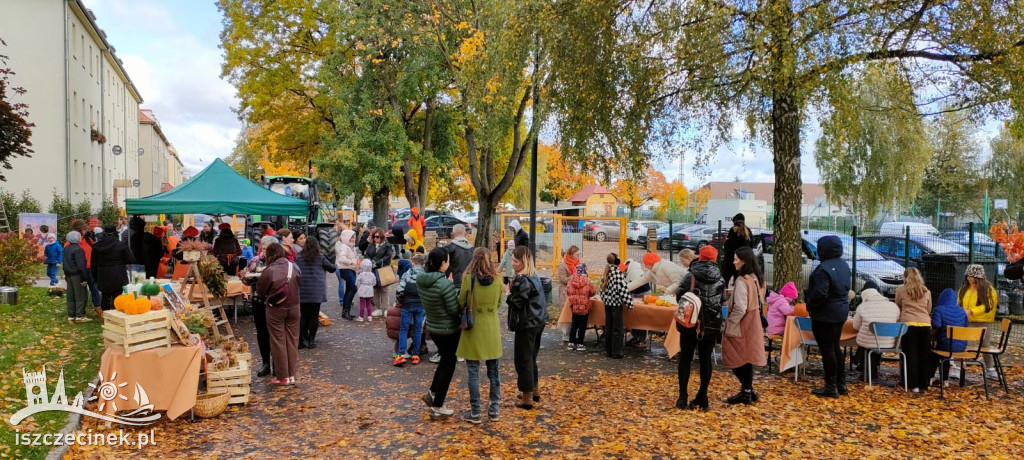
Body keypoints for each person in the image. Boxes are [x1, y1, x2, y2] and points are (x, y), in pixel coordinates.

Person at [456, 248, 504, 424]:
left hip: (473, 327)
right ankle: (494, 409)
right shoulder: (497, 278)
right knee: (494, 372)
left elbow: (461, 301)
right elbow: (499, 302)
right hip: (491, 327)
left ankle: (476, 411)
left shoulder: (469, 278)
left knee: (473, 372)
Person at [675, 245, 725, 411]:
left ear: (700, 257)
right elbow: (721, 300)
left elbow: (680, 297)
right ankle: (702, 396)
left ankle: (682, 396)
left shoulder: (690, 276)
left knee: (685, 358)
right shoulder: (721, 278)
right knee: (705, 359)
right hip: (711, 324)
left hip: (691, 322)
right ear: (715, 259)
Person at [804, 235, 852, 398]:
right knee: (835, 347)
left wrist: (810, 304)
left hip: (825, 314)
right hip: (841, 311)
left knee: (827, 349)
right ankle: (841, 383)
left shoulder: (823, 268)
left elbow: (820, 293)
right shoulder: (844, 265)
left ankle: (831, 386)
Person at [418, 248, 462, 419]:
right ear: (443, 263)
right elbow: (454, 310)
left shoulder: (422, 281)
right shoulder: (444, 285)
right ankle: (438, 406)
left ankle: (433, 393)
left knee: (445, 361)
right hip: (447, 329)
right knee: (448, 365)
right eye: (448, 260)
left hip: (433, 326)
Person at [722, 246, 767, 405]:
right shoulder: (756, 278)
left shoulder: (742, 281)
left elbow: (741, 306)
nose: (734, 262)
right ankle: (748, 390)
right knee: (747, 356)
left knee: (734, 355)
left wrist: (731, 322)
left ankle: (746, 390)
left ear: (744, 261)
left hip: (742, 322)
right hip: (753, 321)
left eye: (736, 259)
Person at [506, 246, 548, 408]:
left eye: (516, 261)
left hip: (527, 323)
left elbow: (516, 302)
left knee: (523, 359)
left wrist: (508, 293)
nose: (513, 263)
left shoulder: (522, 280)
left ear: (523, 262)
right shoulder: (534, 276)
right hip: (538, 321)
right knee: (531, 357)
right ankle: (533, 390)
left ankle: (527, 396)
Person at [255, 243, 302, 384]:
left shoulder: (269, 270)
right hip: (294, 306)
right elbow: (299, 282)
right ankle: (292, 375)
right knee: (292, 340)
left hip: (276, 309)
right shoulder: (293, 266)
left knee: (278, 341)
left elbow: (261, 291)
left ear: (269, 255)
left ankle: (283, 377)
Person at [242, 235, 279, 377]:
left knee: (275, 334)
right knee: (262, 333)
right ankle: (265, 363)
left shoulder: (278, 262)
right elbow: (244, 278)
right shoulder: (255, 261)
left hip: (274, 303)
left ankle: (277, 363)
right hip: (258, 301)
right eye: (262, 249)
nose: (264, 252)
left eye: (267, 249)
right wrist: (248, 277)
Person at [851, 280, 900, 382]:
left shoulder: (862, 307)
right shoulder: (893, 306)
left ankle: (862, 364)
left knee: (870, 341)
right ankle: (866, 367)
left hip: (870, 341)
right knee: (874, 341)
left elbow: (855, 327)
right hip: (890, 342)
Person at [895, 268, 933, 393]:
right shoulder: (926, 291)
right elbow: (928, 308)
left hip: (908, 324)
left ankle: (911, 383)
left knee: (910, 355)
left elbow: (898, 306)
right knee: (924, 354)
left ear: (905, 277)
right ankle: (924, 383)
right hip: (924, 324)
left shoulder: (901, 290)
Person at [958, 264, 999, 380]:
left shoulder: (988, 289)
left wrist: (971, 311)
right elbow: (959, 302)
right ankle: (957, 366)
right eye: (968, 276)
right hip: (967, 321)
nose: (969, 278)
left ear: (978, 277)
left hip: (982, 322)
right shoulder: (964, 288)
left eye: (971, 276)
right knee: (963, 344)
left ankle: (990, 369)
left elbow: (989, 305)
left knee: (985, 346)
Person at [296, 236, 337, 349]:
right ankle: (311, 340)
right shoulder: (320, 257)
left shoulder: (298, 257)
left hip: (302, 290)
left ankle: (301, 340)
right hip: (316, 291)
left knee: (302, 315)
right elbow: (332, 268)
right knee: (314, 315)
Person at [928, 288, 969, 385]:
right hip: (961, 347)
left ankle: (930, 377)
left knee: (935, 353)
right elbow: (966, 326)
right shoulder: (962, 311)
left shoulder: (939, 309)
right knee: (944, 353)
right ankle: (944, 380)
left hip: (945, 345)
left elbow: (937, 325)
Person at [91, 225, 131, 316]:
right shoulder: (121, 245)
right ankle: (116, 315)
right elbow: (129, 259)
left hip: (102, 273)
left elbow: (93, 263)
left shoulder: (96, 246)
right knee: (117, 295)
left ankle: (105, 314)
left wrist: (95, 276)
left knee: (105, 295)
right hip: (118, 273)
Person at [395, 253, 427, 366]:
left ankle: (401, 355)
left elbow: (399, 291)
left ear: (412, 263)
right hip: (420, 305)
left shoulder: (406, 274)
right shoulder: (425, 276)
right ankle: (415, 355)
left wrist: (401, 301)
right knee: (418, 330)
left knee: (403, 329)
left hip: (407, 305)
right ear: (423, 264)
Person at [600, 253, 630, 359]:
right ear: (617, 261)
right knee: (617, 329)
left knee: (608, 327)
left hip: (607, 304)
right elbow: (623, 290)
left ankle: (608, 350)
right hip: (616, 304)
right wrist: (629, 303)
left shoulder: (606, 272)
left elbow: (602, 289)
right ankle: (616, 352)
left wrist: (605, 299)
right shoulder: (617, 273)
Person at [365, 227, 394, 317]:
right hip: (373, 269)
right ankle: (378, 308)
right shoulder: (371, 245)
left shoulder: (387, 245)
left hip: (382, 269)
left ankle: (385, 308)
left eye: (377, 237)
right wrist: (370, 262)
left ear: (381, 237)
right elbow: (366, 254)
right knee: (375, 289)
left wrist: (377, 262)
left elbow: (388, 256)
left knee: (384, 289)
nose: (375, 239)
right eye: (374, 237)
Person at [566, 263, 596, 351]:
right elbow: (592, 292)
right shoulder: (587, 281)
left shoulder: (571, 281)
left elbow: (568, 292)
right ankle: (580, 343)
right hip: (584, 307)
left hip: (574, 306)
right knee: (582, 325)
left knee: (574, 324)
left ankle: (571, 343)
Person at [63, 231, 90, 323]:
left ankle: (71, 315)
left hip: (69, 275)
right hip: (77, 275)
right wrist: (84, 278)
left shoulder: (66, 249)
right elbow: (81, 265)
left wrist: (66, 275)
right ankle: (80, 315)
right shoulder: (79, 250)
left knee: (70, 296)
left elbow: (65, 264)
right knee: (80, 295)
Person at [722, 213, 754, 286]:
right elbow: (751, 246)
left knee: (725, 278)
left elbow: (728, 245)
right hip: (743, 261)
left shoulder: (733, 231)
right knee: (739, 280)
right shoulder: (748, 232)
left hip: (731, 260)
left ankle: (723, 294)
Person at [335, 229, 359, 320]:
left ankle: (345, 311)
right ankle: (346, 310)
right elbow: (342, 259)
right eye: (351, 237)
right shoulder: (344, 247)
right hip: (345, 269)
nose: (353, 239)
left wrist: (356, 263)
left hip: (351, 269)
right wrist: (352, 262)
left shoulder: (351, 247)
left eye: (354, 237)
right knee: (353, 288)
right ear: (346, 238)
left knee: (349, 289)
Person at [444, 224, 474, 291]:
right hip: (470, 282)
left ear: (453, 233)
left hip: (456, 282)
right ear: (464, 233)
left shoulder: (449, 247)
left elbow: (445, 266)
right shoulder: (472, 248)